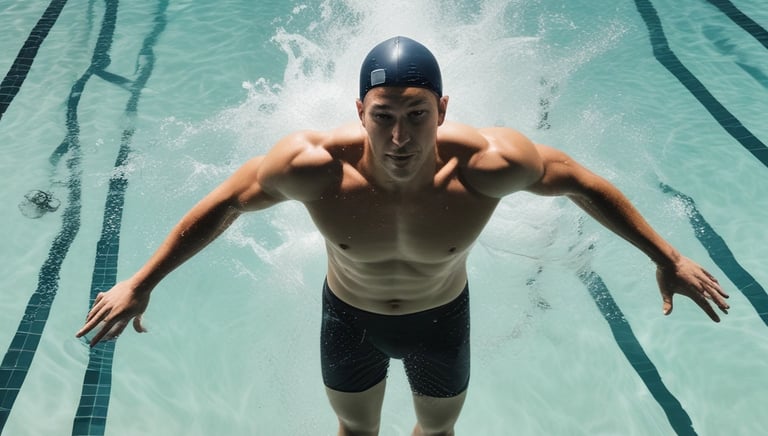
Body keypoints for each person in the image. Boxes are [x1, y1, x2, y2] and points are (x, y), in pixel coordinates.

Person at [76, 36, 729, 436]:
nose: (398, 137)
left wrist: (666, 256)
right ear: (359, 111)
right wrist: (142, 281)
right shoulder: (312, 167)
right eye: (383, 115)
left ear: (443, 109)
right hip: (349, 320)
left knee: (436, 432)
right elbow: (222, 206)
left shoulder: (487, 166)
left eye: (416, 115)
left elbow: (581, 183)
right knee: (355, 431)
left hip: (441, 320)